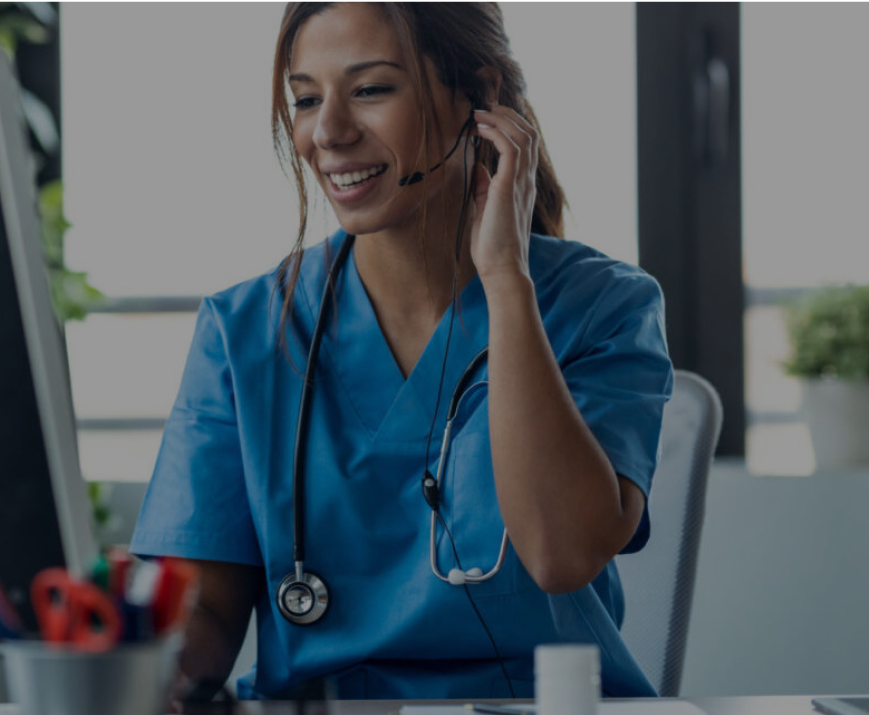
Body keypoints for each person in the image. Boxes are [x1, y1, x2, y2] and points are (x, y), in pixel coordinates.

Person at [130, 0, 674, 703]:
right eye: (306, 99)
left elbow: (561, 554)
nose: (328, 132)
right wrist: (139, 647)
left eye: (370, 89)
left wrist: (505, 280)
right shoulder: (243, 332)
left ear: (481, 94)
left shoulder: (603, 306)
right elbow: (204, 612)